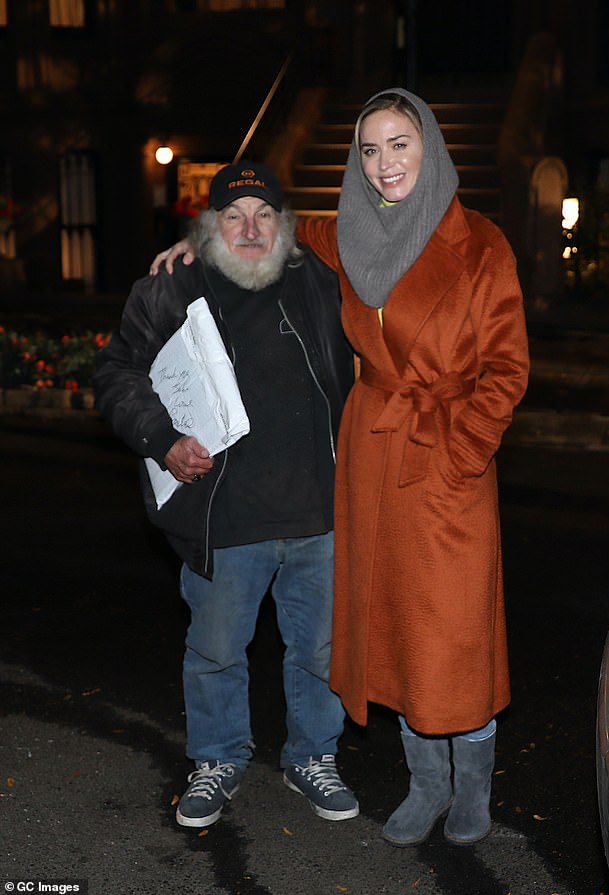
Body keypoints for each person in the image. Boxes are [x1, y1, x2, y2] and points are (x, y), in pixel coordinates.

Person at [151, 88, 530, 848]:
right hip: (372, 459)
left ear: (430, 149)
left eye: (399, 144)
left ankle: (472, 785)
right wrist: (200, 240)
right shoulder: (347, 233)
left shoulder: (481, 243)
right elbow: (264, 228)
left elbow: (508, 368)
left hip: (447, 456)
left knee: (454, 630)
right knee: (393, 626)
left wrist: (462, 450)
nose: (384, 162)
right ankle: (425, 783)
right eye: (369, 149)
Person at [94, 161, 358, 830]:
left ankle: (313, 756)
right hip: (223, 513)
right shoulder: (174, 284)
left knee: (320, 651)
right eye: (233, 215)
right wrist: (161, 438)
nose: (249, 228)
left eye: (264, 215)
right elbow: (117, 369)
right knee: (215, 649)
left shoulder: (320, 281)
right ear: (208, 227)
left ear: (285, 227)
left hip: (317, 513)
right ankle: (216, 759)